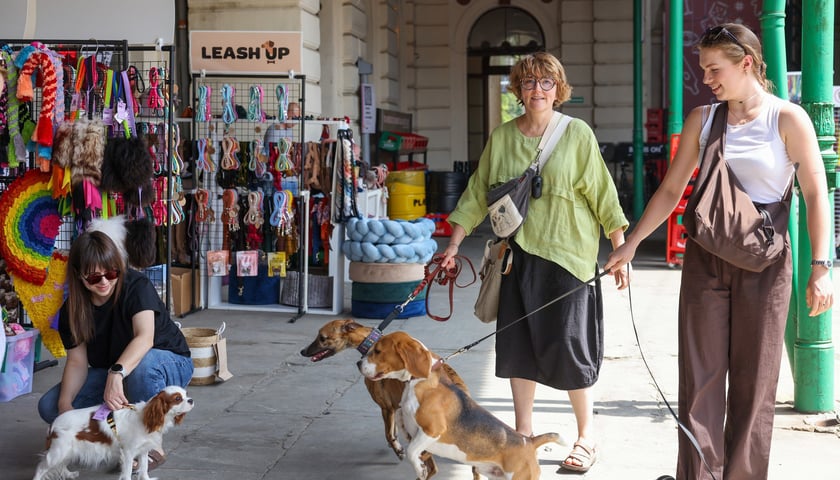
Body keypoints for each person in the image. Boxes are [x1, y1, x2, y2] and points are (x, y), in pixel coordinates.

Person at [604, 23, 834, 479]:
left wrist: (821, 267)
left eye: (715, 69)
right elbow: (672, 190)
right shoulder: (703, 120)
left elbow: (815, 192)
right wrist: (630, 245)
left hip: (767, 265)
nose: (707, 79)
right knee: (700, 384)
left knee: (755, 386)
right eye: (704, 69)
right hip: (705, 261)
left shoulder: (787, 118)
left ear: (746, 62)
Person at [442, 51, 629, 473]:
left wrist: (620, 248)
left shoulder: (576, 134)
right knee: (517, 348)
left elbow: (603, 192)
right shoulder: (503, 137)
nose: (538, 90)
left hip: (569, 258)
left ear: (558, 89)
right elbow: (476, 193)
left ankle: (585, 437)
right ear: (518, 90)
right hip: (517, 257)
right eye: (529, 83)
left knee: (570, 348)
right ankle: (522, 435)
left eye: (546, 83)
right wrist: (453, 244)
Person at [38, 230, 194, 469]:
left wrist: (116, 373)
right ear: (80, 276)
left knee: (142, 367)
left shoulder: (136, 285)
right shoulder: (73, 309)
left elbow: (145, 338)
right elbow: (77, 363)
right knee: (50, 406)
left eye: (111, 272)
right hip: (116, 371)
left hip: (166, 363)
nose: (104, 281)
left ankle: (151, 444)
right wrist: (65, 409)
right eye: (94, 277)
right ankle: (121, 438)